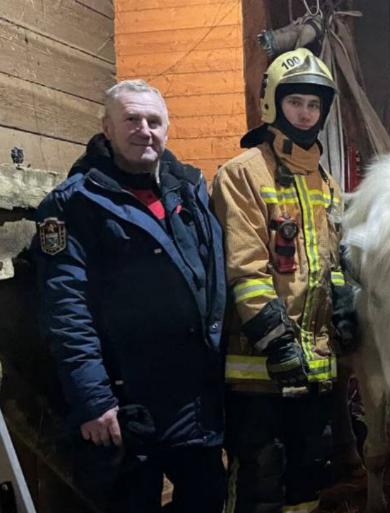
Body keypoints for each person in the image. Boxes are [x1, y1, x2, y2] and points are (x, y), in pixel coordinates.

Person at [33, 79, 227, 513]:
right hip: (125, 400)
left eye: (154, 121)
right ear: (106, 127)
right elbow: (67, 310)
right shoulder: (72, 205)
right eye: (131, 120)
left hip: (194, 394)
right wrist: (94, 400)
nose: (145, 129)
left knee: (208, 498)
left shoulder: (190, 188)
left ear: (167, 128)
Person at [211, 47, 356, 513]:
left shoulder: (325, 182)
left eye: (315, 105)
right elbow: (246, 267)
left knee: (308, 481)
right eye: (297, 102)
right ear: (273, 103)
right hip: (259, 370)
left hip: (315, 369)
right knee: (261, 481)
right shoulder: (243, 173)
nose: (307, 113)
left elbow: (328, 260)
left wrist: (345, 301)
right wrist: (278, 341)